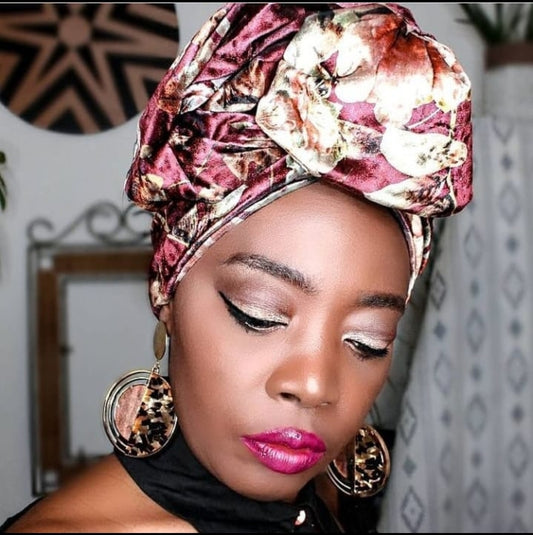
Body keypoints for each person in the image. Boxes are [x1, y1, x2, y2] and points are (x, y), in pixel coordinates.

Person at [1, 2, 473, 533]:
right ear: (167, 292)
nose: (314, 384)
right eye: (259, 314)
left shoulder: (314, 511)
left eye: (368, 341)